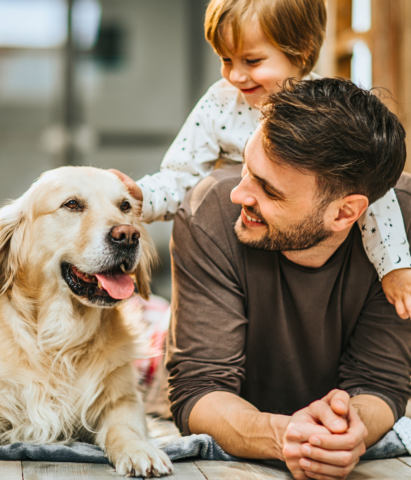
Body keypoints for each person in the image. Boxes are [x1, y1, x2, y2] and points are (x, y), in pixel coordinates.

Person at [167, 77, 411, 480]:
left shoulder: (402, 229)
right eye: (246, 168)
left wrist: (351, 430)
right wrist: (285, 435)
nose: (239, 195)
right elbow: (199, 389)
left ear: (345, 214)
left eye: (268, 189)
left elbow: (381, 382)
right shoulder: (208, 213)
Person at [110, 0, 411, 319]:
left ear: (301, 49)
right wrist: (142, 197)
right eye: (226, 59)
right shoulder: (221, 103)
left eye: (252, 60)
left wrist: (394, 266)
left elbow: (375, 196)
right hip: (240, 256)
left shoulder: (326, 115)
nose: (236, 76)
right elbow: (180, 174)